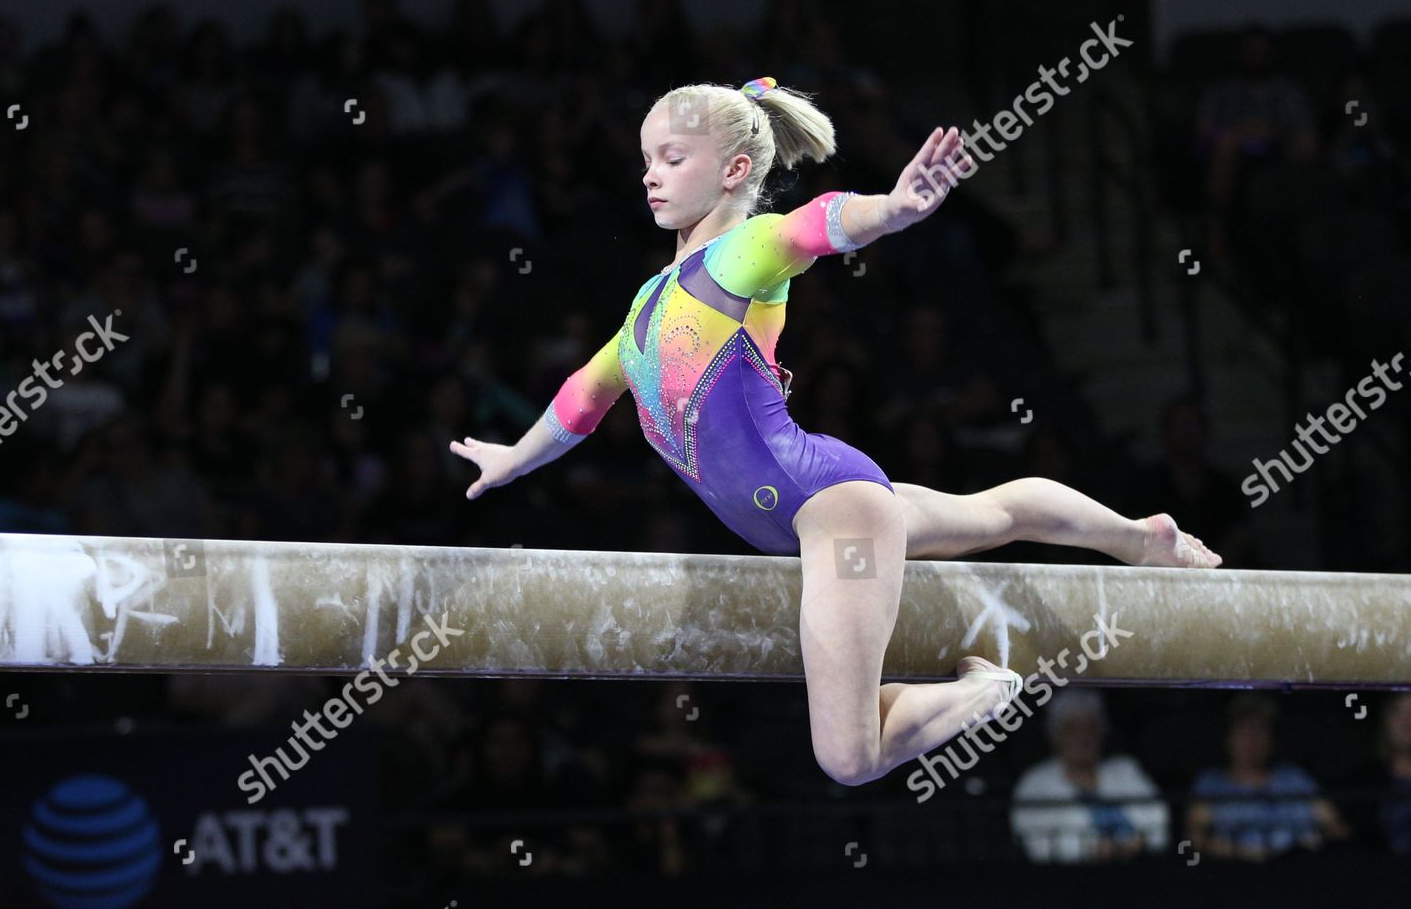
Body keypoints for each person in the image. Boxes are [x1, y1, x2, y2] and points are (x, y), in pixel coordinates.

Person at [450, 76, 1221, 787]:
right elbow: (582, 400)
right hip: (825, 501)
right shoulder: (649, 302)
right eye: (646, 158)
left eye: (672, 157)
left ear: (733, 170)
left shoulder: (738, 253)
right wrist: (513, 458)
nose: (649, 174)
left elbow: (812, 227)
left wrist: (894, 208)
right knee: (994, 513)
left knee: (849, 757)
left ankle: (987, 690)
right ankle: (1138, 536)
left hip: (832, 516)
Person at [1010, 689, 1169, 863]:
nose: (1083, 737)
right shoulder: (1035, 783)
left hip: (1136, 871)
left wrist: (1135, 842)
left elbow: (1159, 822)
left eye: (1091, 727)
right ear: (1055, 735)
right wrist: (1092, 849)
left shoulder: (1125, 769)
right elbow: (1037, 845)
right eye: (1072, 728)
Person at [1186, 694, 1349, 860]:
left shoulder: (1295, 779)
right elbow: (1195, 841)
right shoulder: (1211, 783)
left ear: (1272, 741)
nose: (1252, 742)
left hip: (1297, 870)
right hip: (1233, 873)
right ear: (1228, 739)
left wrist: (1316, 844)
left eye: (1260, 732)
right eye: (1244, 732)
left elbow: (1337, 829)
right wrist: (1243, 852)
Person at [1342, 692, 1411, 855]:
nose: (1407, 721)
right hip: (1385, 874)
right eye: (1397, 711)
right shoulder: (1363, 781)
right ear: (1385, 719)